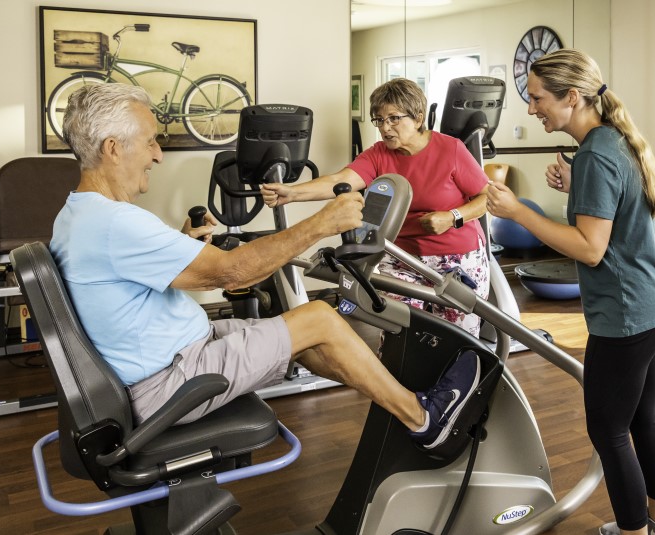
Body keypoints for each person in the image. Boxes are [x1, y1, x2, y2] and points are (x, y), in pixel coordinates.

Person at [49, 82, 480, 453]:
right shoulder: (117, 223)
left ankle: (399, 398)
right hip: (170, 382)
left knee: (309, 339)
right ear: (112, 149)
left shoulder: (80, 214)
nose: (158, 155)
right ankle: (425, 419)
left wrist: (181, 245)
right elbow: (232, 274)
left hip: (176, 357)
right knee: (320, 318)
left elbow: (135, 274)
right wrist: (322, 223)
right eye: (150, 142)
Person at [486, 49, 655, 535]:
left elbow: (591, 249)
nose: (531, 109)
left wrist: (518, 213)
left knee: (608, 429)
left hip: (627, 312)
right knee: (641, 418)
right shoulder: (609, 142)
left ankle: (635, 531)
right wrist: (578, 186)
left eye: (537, 99)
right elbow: (615, 215)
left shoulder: (596, 151)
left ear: (571, 97)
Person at [261, 78, 490, 338]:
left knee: (458, 337)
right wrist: (292, 193)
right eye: (379, 120)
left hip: (458, 258)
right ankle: (398, 379)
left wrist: (452, 217)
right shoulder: (379, 154)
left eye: (393, 118)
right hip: (402, 259)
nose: (385, 128)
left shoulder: (451, 150)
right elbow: (340, 180)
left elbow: (486, 197)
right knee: (400, 332)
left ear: (418, 118)